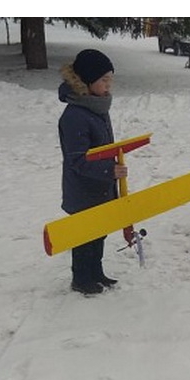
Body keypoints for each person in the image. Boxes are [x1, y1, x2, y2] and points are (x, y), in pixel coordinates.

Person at [57, 49, 126, 295]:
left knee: (100, 232)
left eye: (110, 79)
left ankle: (96, 272)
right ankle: (81, 278)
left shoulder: (97, 107)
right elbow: (76, 160)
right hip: (83, 189)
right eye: (103, 80)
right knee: (85, 235)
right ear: (86, 81)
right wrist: (110, 169)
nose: (109, 85)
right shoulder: (75, 116)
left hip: (101, 185)